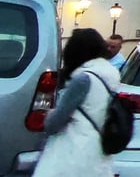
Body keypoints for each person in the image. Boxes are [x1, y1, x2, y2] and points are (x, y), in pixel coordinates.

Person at [34, 28, 122, 177]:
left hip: (72, 152)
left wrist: (49, 115)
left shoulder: (83, 79)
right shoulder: (112, 75)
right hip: (99, 151)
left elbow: (54, 123)